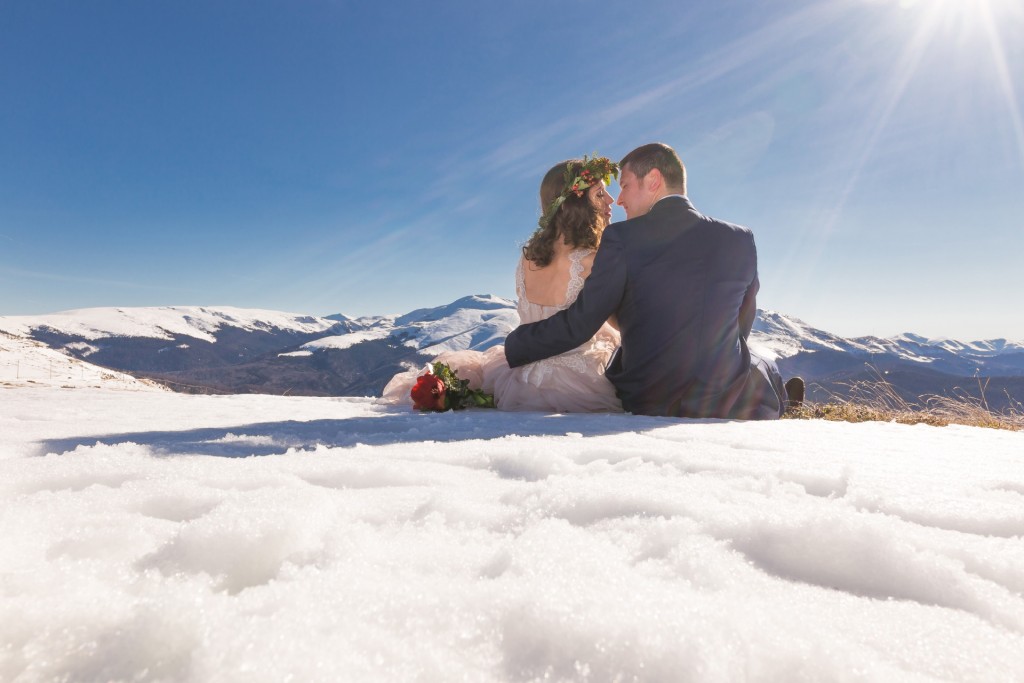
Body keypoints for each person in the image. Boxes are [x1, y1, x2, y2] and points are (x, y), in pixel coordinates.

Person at [504, 142, 802, 419]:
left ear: (654, 181)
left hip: (645, 395)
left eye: (624, 186)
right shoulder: (740, 238)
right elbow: (741, 323)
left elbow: (582, 322)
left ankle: (781, 398)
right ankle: (783, 403)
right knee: (761, 362)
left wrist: (516, 343)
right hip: (721, 394)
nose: (618, 199)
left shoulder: (621, 238)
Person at [382, 155, 624, 412]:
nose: (610, 201)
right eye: (600, 194)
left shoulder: (527, 257)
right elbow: (614, 321)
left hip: (520, 374)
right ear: (575, 203)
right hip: (578, 382)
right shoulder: (593, 260)